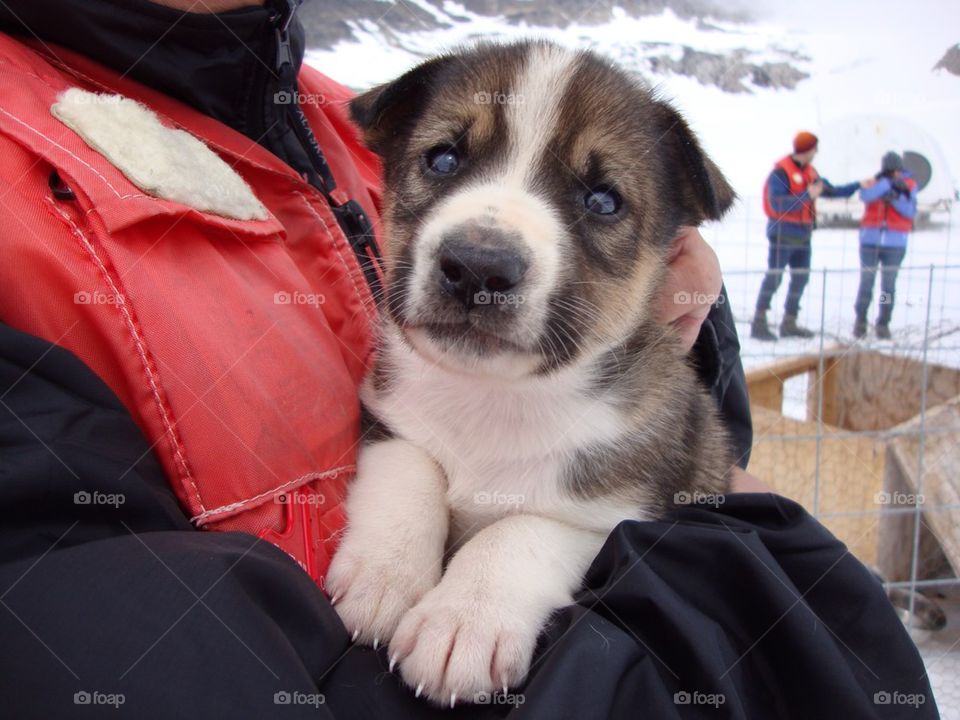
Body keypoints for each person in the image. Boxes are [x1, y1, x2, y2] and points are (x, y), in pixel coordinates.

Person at [0, 2, 936, 718]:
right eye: (447, 164)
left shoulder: (320, 116)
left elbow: (650, 500)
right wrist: (405, 511)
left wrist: (702, 355)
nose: (487, 245)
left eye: (600, 200)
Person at [751, 131, 865, 341]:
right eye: (815, 148)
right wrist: (807, 195)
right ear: (808, 149)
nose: (816, 152)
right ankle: (759, 321)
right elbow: (778, 204)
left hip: (803, 236)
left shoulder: (811, 173)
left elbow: (833, 191)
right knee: (774, 277)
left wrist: (858, 185)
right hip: (782, 235)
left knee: (800, 279)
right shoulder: (780, 173)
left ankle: (789, 321)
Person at [853, 151, 918, 339]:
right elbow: (865, 196)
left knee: (888, 286)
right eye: (890, 171)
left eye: (896, 171)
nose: (894, 174)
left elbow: (910, 211)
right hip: (870, 241)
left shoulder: (910, 185)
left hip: (895, 243)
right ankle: (861, 319)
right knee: (866, 282)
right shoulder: (876, 182)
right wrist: (886, 185)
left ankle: (883, 322)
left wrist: (896, 197)